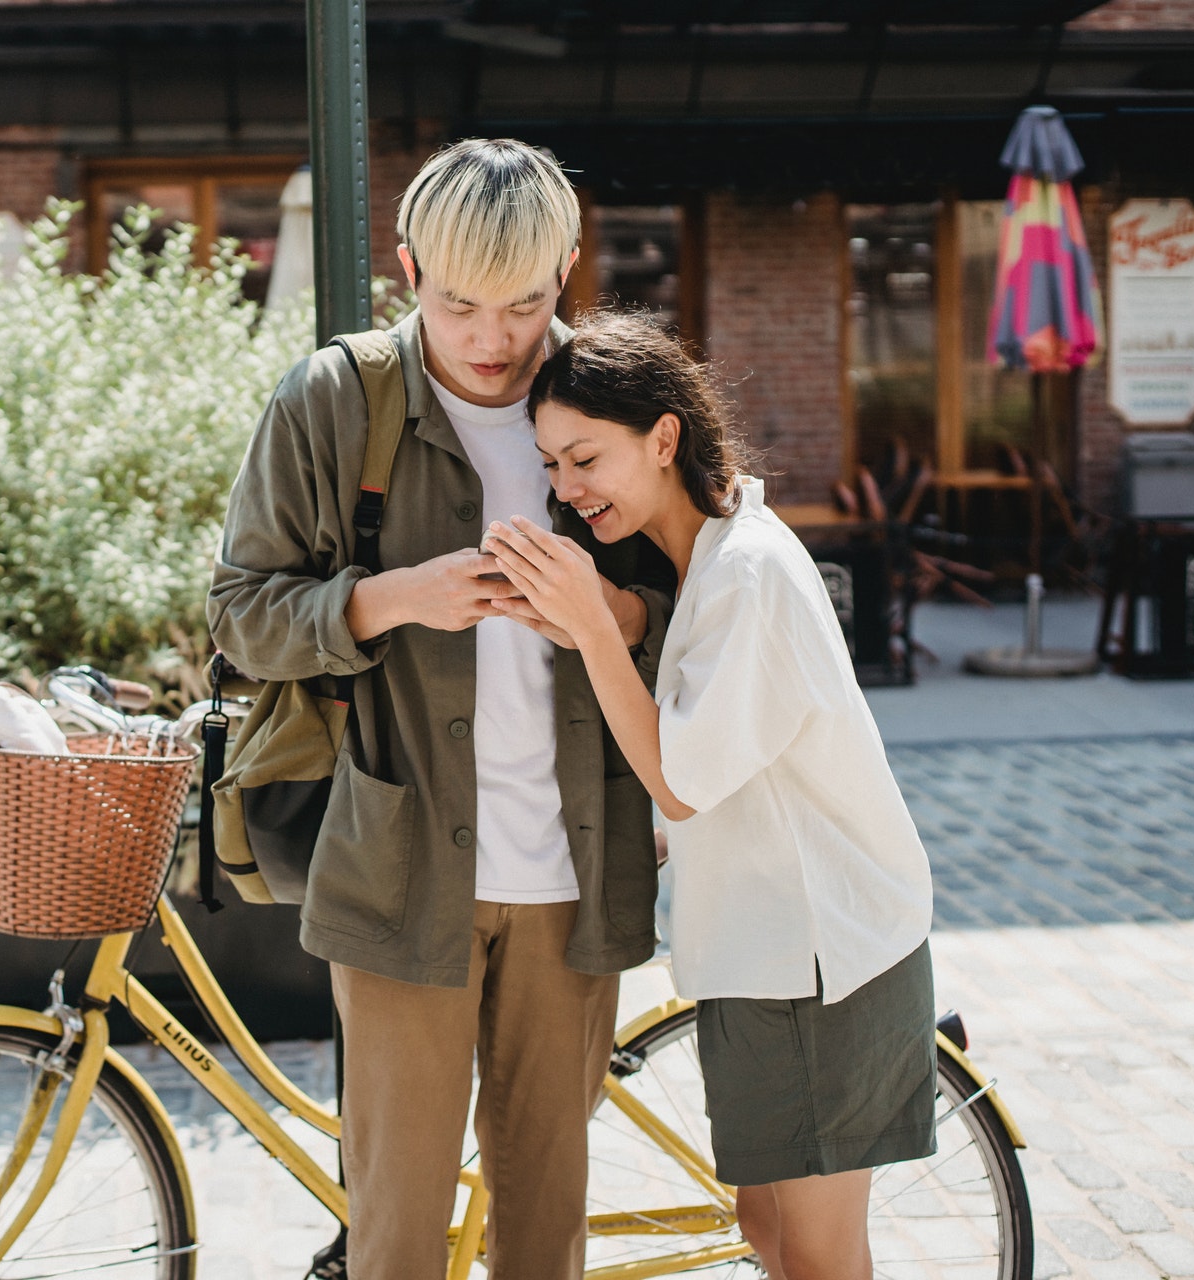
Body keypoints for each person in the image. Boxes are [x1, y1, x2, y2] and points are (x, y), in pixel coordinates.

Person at [207, 140, 676, 1278]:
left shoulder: (616, 392)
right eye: (458, 303)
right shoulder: (335, 399)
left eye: (524, 303)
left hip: (574, 873)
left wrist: (611, 611)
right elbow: (240, 613)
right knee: (397, 1239)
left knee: (543, 1240)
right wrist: (388, 599)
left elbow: (698, 594)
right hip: (400, 871)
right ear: (410, 266)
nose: (491, 339)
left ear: (567, 266)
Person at [481, 311, 937, 1280]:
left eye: (585, 458)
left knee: (816, 1254)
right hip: (761, 959)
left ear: (663, 436)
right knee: (771, 1235)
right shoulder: (707, 563)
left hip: (821, 964)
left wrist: (591, 629)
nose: (567, 488)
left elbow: (682, 782)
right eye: (551, 464)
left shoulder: (750, 575)